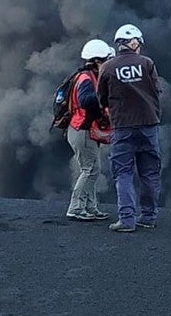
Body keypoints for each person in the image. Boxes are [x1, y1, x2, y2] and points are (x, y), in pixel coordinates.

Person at [96, 23, 163, 232]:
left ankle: (127, 220)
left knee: (123, 173)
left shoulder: (107, 67)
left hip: (122, 127)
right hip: (148, 126)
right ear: (133, 43)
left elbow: (102, 98)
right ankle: (149, 217)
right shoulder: (147, 63)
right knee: (150, 173)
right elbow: (157, 90)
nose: (140, 46)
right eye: (139, 42)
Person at [65, 38, 114, 221]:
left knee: (93, 169)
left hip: (84, 130)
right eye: (106, 60)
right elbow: (85, 100)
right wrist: (104, 97)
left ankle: (90, 207)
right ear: (97, 60)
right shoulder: (86, 78)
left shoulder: (89, 76)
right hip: (82, 130)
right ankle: (76, 208)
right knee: (90, 169)